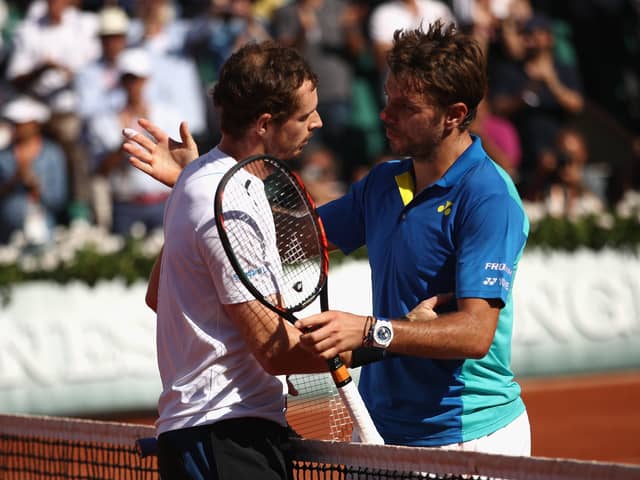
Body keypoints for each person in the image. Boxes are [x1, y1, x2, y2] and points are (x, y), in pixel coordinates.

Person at [126, 22, 531, 456]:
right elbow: (268, 235)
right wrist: (202, 185)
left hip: (467, 436)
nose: (385, 113)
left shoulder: (488, 198)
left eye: (405, 106)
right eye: (387, 96)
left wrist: (373, 333)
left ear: (453, 114)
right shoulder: (383, 183)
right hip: (381, 431)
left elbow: (475, 333)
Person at [122, 41, 336, 480]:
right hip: (226, 442)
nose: (318, 122)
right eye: (304, 115)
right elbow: (276, 351)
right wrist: (388, 342)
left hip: (214, 436)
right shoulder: (226, 197)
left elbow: (158, 295)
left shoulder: (200, 180)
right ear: (264, 124)